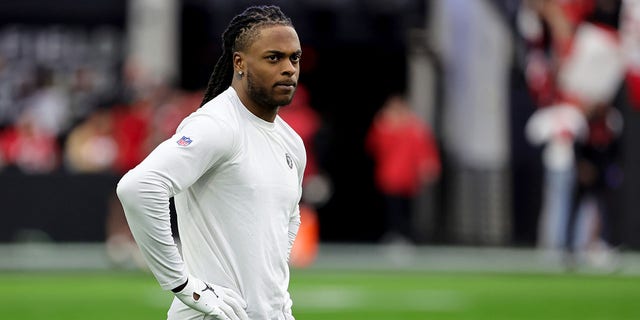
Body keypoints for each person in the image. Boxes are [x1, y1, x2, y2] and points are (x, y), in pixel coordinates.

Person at [116, 5, 305, 320]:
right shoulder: (217, 125)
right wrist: (182, 284)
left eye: (294, 58)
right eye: (274, 58)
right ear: (239, 62)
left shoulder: (292, 142)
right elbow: (138, 187)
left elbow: (290, 214)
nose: (288, 68)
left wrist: (270, 292)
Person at [365, 93, 441, 244]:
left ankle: (406, 236)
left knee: (407, 209)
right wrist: (383, 127)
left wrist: (430, 166)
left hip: (408, 177)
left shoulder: (414, 129)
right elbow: (372, 147)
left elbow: (424, 149)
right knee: (392, 209)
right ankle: (394, 235)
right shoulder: (384, 128)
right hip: (389, 176)